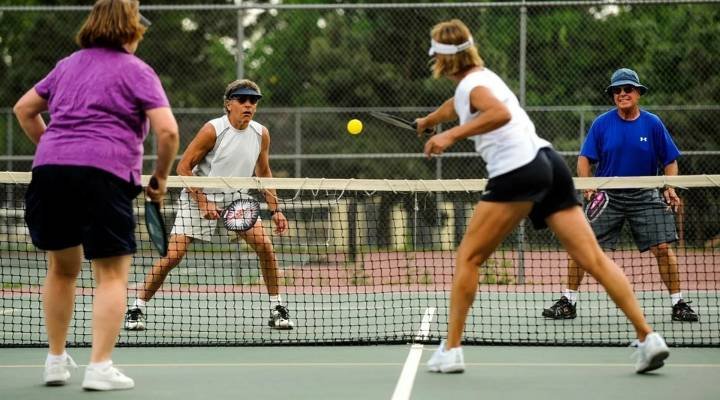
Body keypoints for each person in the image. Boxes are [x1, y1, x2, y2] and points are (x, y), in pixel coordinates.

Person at [415, 19, 669, 374]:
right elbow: (455, 104)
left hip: (517, 172)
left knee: (468, 258)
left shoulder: (474, 86)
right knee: (593, 259)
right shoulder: (482, 79)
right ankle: (648, 338)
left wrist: (450, 136)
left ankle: (451, 349)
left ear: (440, 59)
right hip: (550, 165)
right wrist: (429, 121)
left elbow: (498, 113)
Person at [13, 0, 179, 391]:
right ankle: (99, 367)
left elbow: (24, 109)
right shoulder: (137, 71)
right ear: (129, 30)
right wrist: (159, 178)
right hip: (104, 174)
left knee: (61, 268)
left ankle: (55, 361)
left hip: (50, 173)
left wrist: (53, 148)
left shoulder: (67, 64)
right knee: (111, 276)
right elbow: (168, 132)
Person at [124, 79, 294, 332]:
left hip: (236, 199)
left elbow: (264, 171)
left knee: (266, 247)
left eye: (253, 101)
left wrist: (276, 209)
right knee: (173, 256)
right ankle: (136, 308)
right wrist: (203, 202)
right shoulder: (213, 129)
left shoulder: (261, 133)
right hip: (198, 196)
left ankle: (277, 308)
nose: (249, 105)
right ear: (228, 104)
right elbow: (183, 167)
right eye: (242, 100)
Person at [541, 68, 698, 323]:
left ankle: (678, 303)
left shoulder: (653, 123)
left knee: (663, 248)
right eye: (617, 90)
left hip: (646, 195)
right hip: (609, 198)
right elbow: (584, 159)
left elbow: (669, 160)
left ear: (638, 93)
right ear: (613, 95)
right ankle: (568, 302)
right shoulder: (602, 123)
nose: (622, 93)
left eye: (627, 89)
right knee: (582, 247)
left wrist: (670, 186)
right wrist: (589, 185)